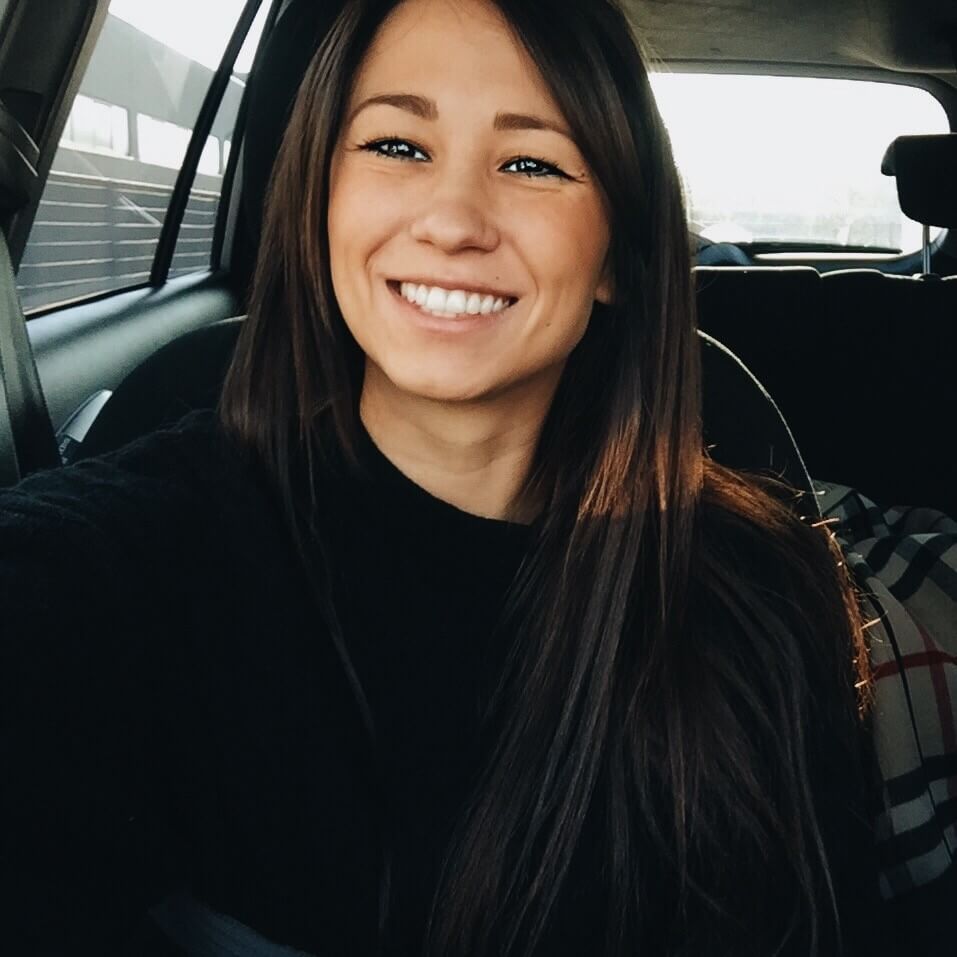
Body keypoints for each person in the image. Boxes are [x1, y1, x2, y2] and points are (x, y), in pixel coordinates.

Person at [0, 0, 952, 955]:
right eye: (397, 147)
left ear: (616, 254)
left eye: (531, 163)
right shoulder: (136, 560)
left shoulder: (761, 599)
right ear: (319, 198)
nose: (453, 221)